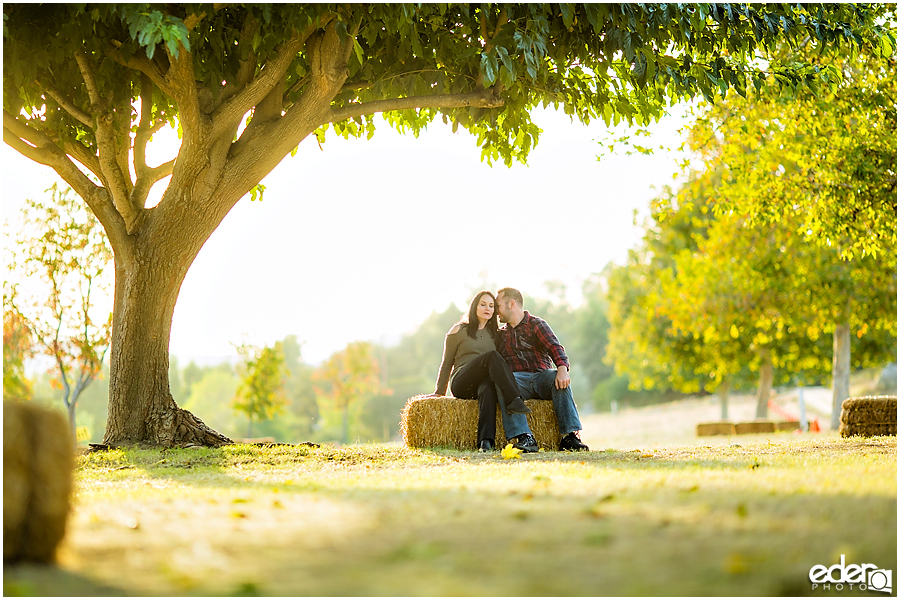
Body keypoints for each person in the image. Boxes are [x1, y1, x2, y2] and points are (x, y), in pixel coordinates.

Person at [427, 290, 532, 452]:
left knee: (488, 389)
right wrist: (440, 391)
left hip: (481, 384)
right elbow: (447, 362)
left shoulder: (496, 335)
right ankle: (514, 399)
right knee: (491, 357)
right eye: (483, 304)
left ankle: (485, 442)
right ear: (474, 306)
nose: (487, 308)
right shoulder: (458, 330)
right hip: (462, 382)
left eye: (491, 306)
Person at [494, 287, 589, 453]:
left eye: (498, 306)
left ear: (511, 304)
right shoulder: (500, 334)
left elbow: (555, 347)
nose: (496, 312)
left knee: (556, 378)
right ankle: (525, 437)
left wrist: (562, 369)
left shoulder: (536, 324)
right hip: (516, 382)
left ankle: (570, 436)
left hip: (541, 377)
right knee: (503, 382)